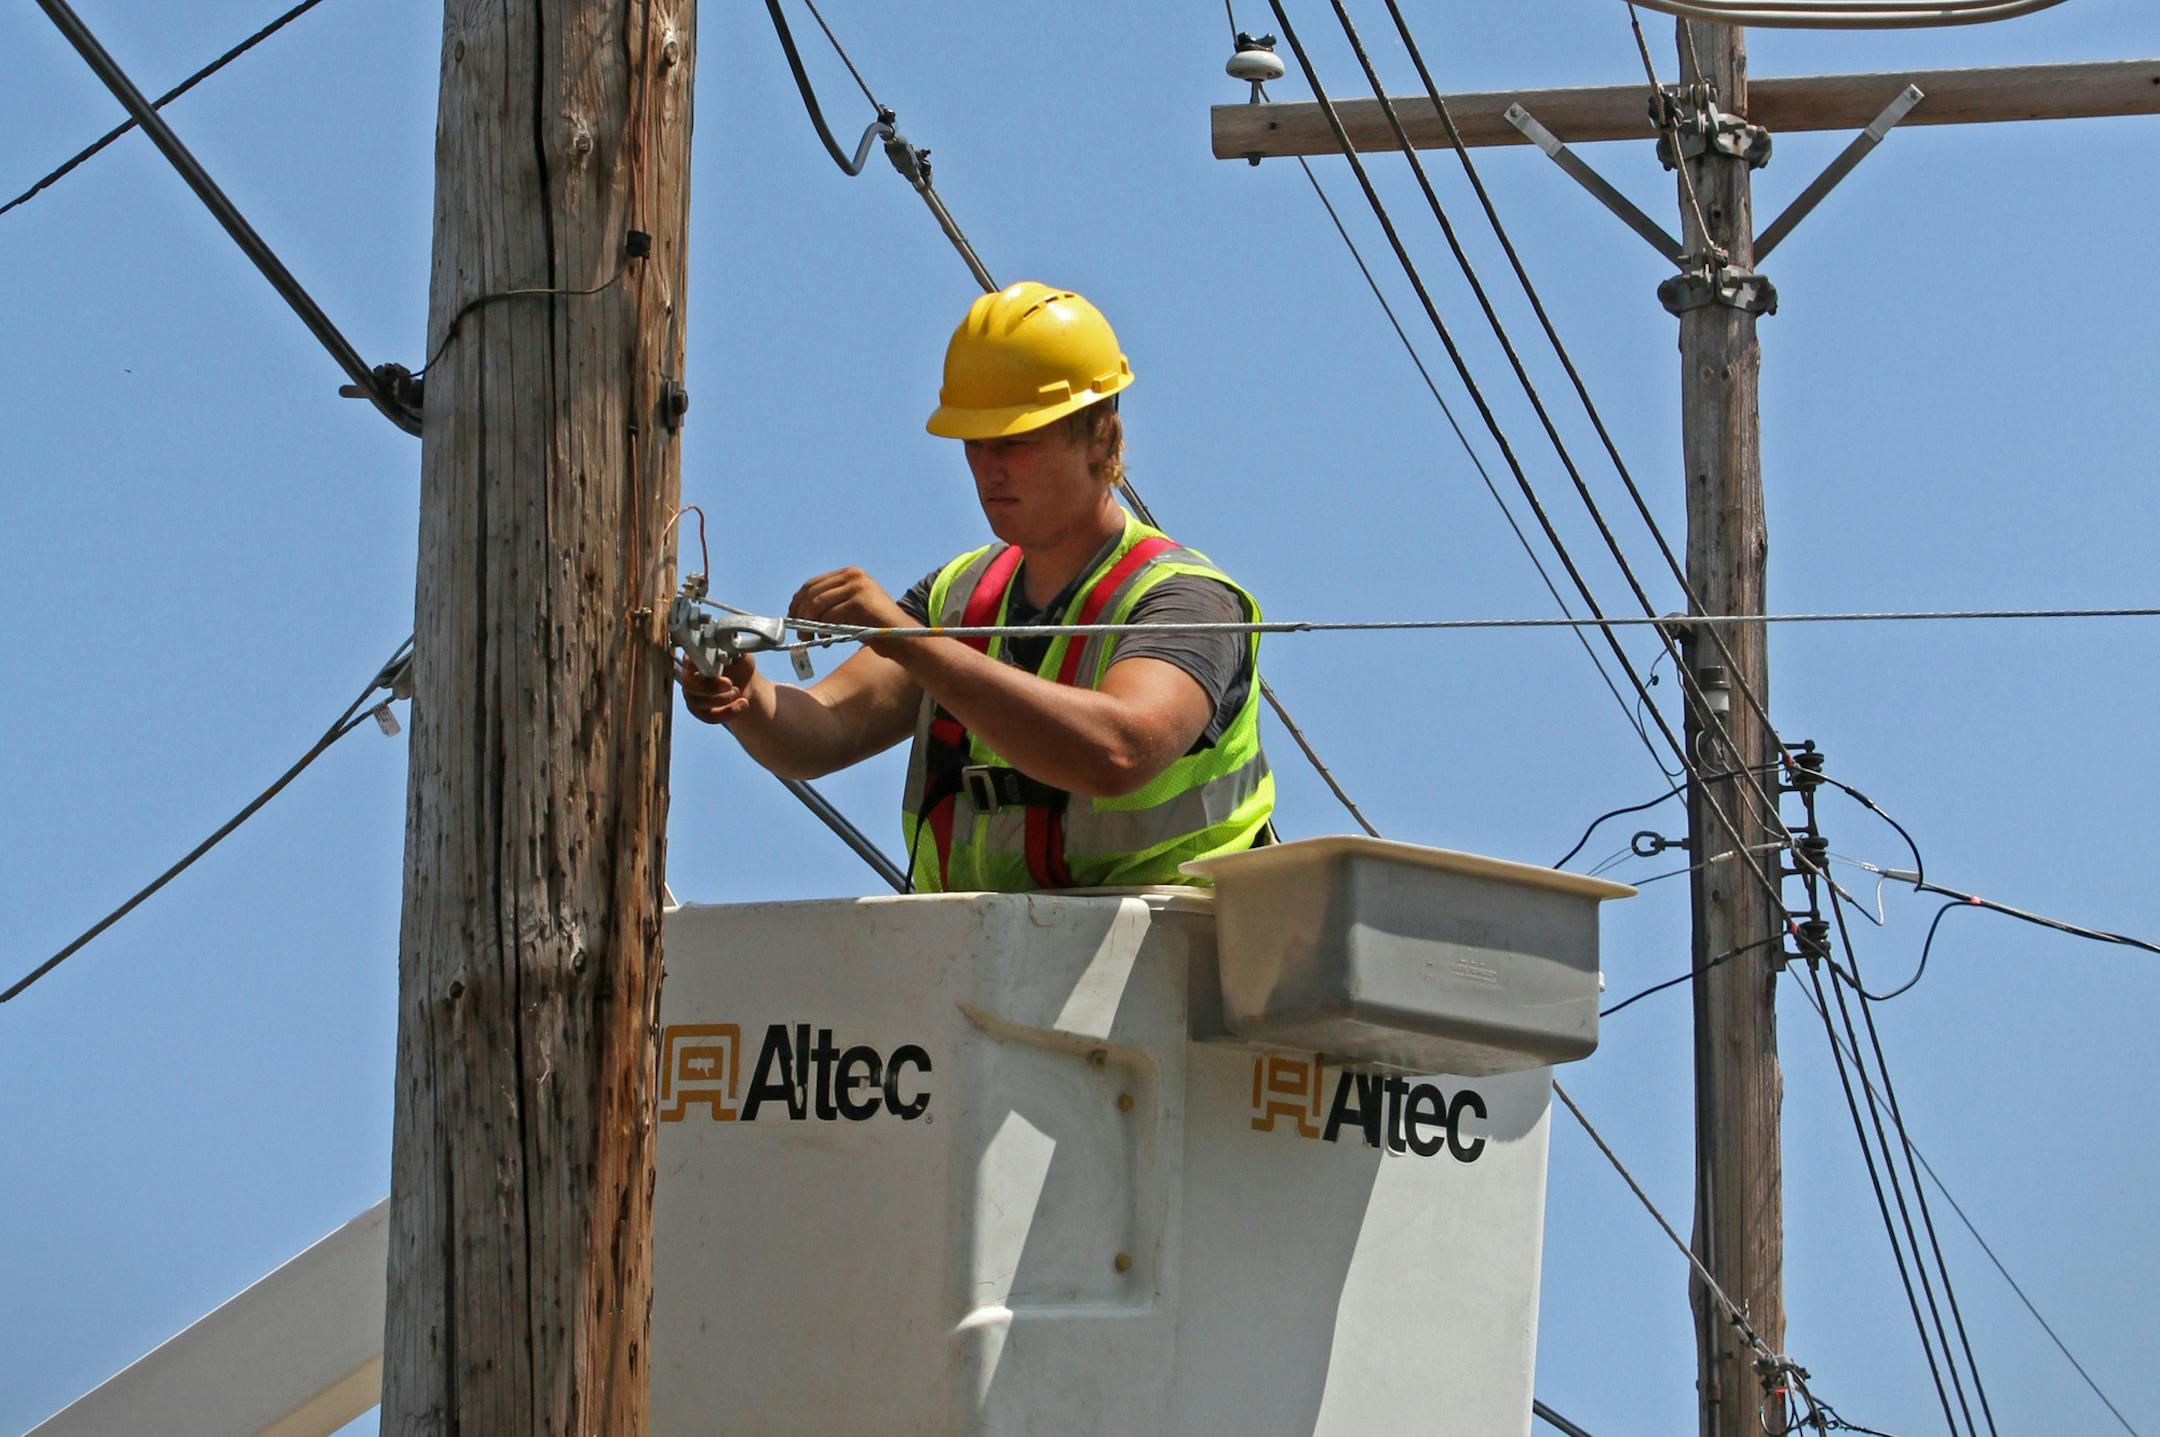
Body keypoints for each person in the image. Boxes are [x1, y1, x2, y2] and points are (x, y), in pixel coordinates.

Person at [680, 281, 1272, 891]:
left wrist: (907, 641)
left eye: (1016, 442)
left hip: (1159, 964)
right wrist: (748, 694)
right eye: (975, 443)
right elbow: (826, 729)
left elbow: (1118, 750)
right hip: (978, 962)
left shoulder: (1188, 601)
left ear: (1101, 434)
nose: (989, 469)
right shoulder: (959, 595)